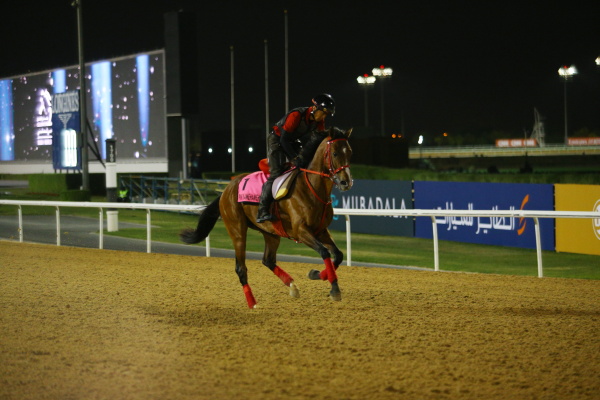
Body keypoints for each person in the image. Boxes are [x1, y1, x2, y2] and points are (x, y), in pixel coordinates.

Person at [256, 93, 336, 223]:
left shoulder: (319, 120)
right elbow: (284, 139)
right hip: (277, 140)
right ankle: (262, 210)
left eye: (327, 114)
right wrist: (294, 158)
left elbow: (318, 139)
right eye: (324, 113)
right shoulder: (296, 114)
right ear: (315, 108)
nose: (324, 117)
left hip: (292, 140)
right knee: (277, 172)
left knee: (306, 166)